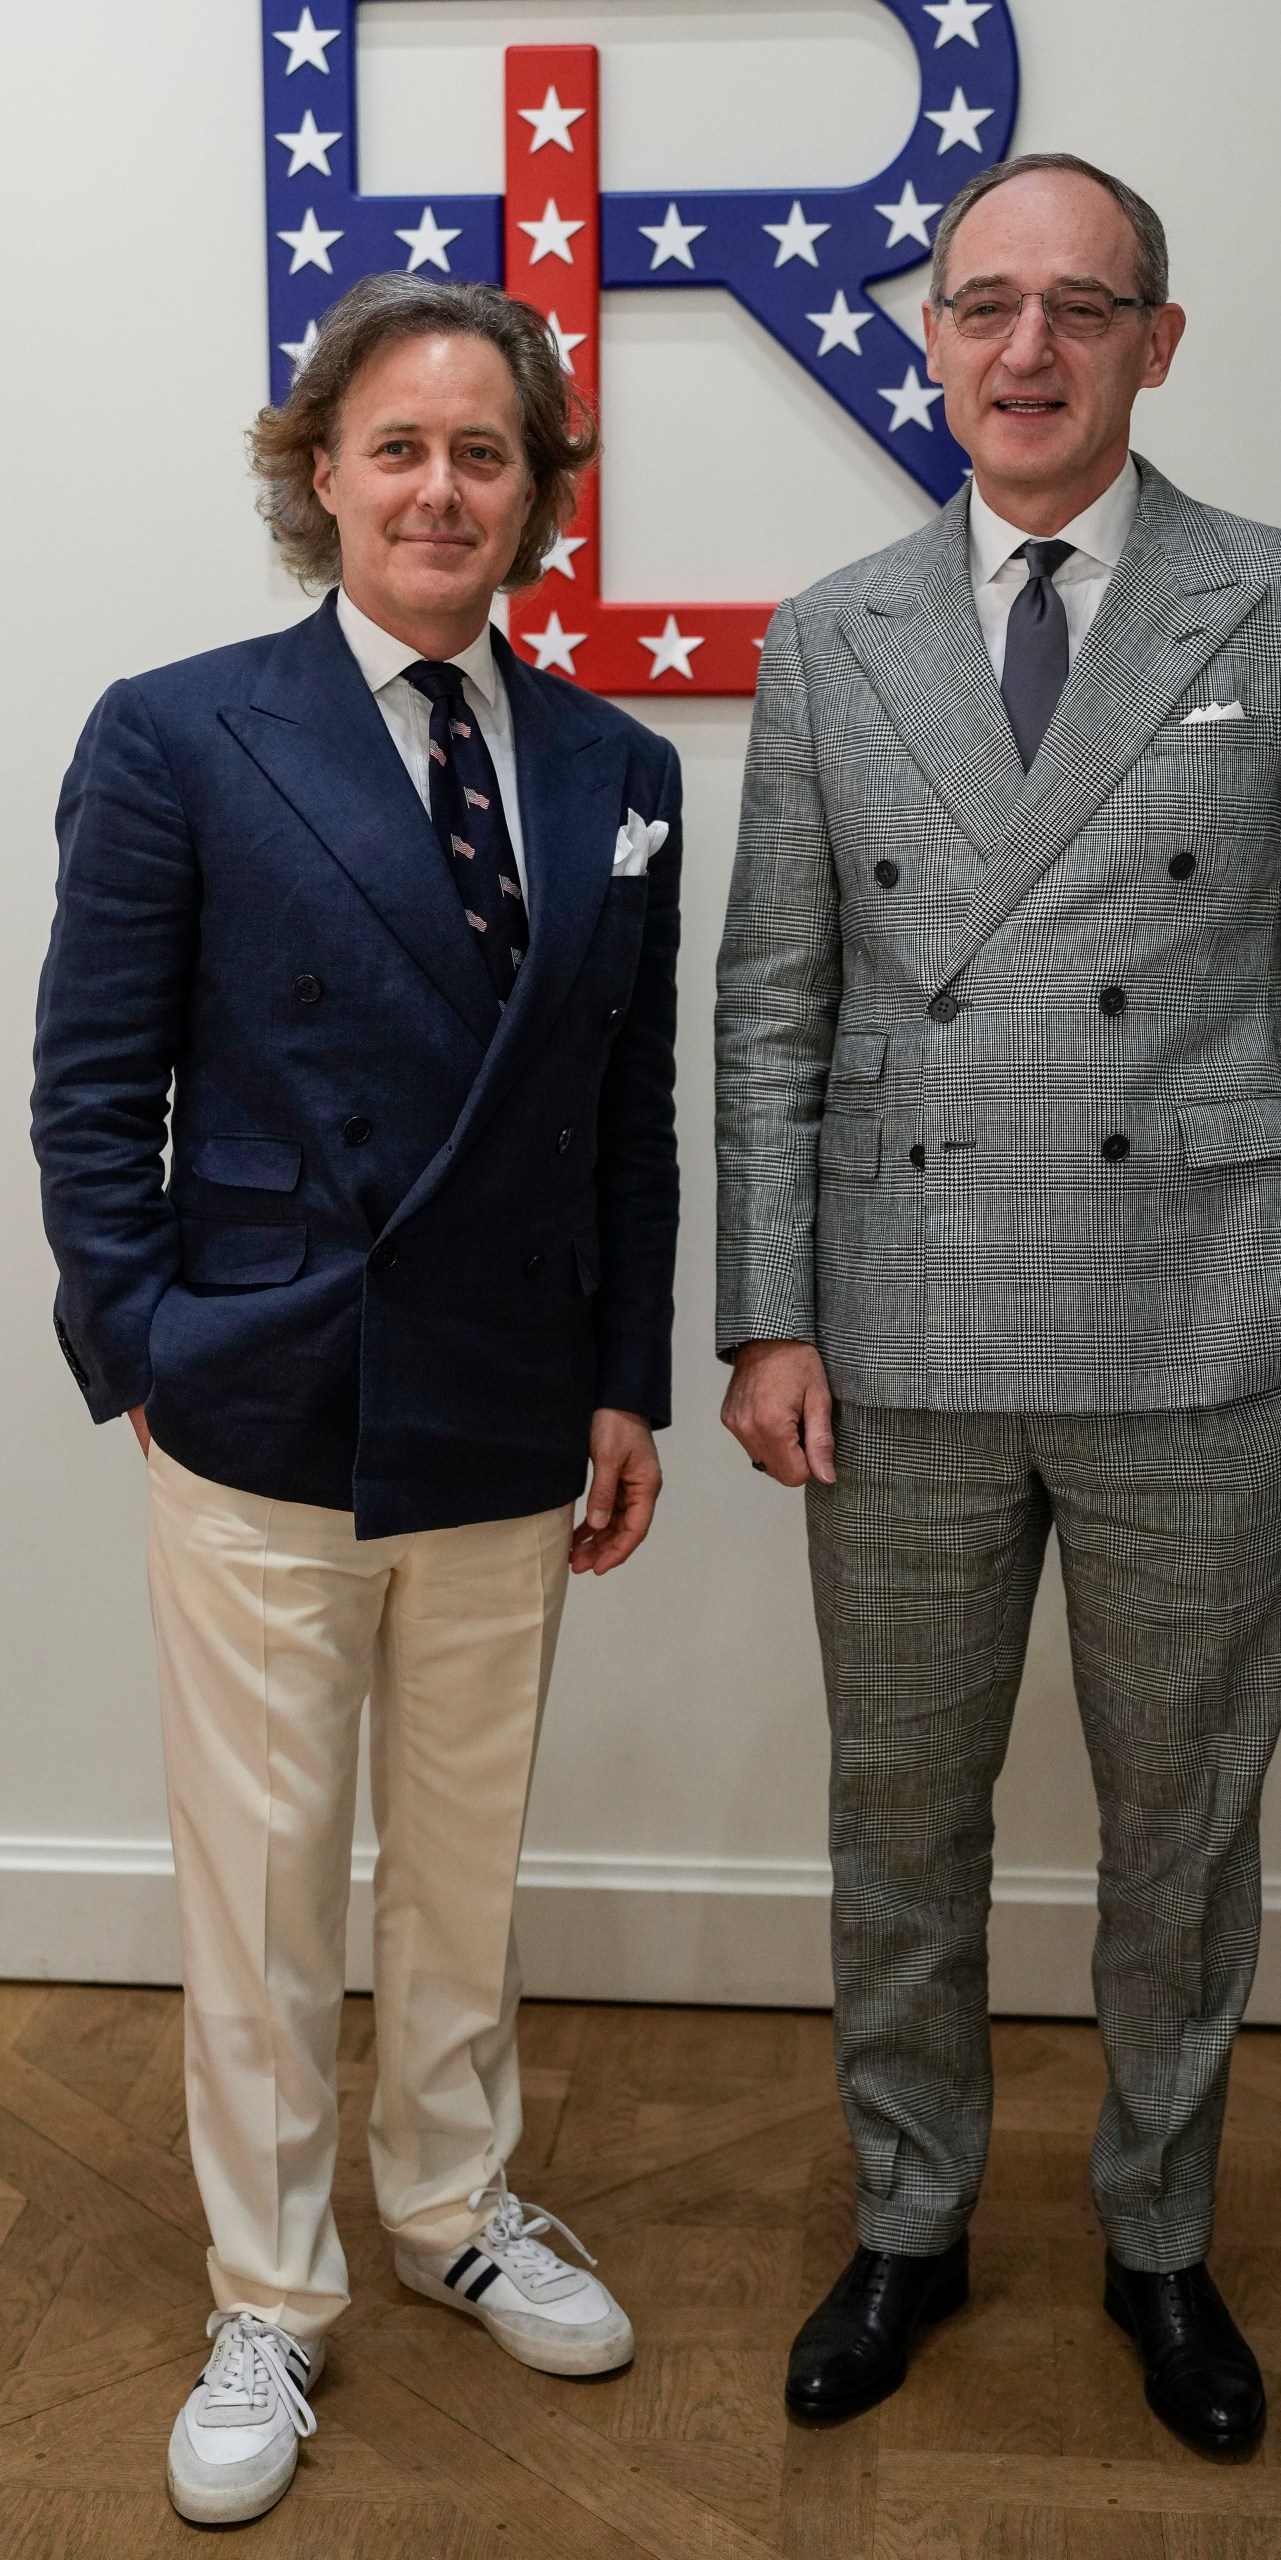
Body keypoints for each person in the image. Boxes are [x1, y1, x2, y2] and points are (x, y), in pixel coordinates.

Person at [715, 153, 1281, 2452]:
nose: (1028, 349)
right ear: (935, 335)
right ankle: (912, 2218)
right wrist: (767, 1312)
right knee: (899, 1814)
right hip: (903, 1330)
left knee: (1180, 1826)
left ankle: (1159, 2237)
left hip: (1205, 1330)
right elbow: (773, 1007)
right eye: (986, 303)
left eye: (1083, 308)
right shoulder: (830, 630)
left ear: (1158, 341)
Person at [32, 273, 682, 2527]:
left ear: (536, 496)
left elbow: (630, 1112)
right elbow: (92, 1084)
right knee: (269, 1884)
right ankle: (271, 2291)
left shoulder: (617, 767)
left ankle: (452, 2201)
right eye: (396, 446)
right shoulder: (180, 730)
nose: (439, 485)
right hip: (268, 1405)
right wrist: (148, 1344)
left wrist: (627, 1378)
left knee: (462, 1873)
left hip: (515, 1408)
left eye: (482, 452)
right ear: (323, 474)